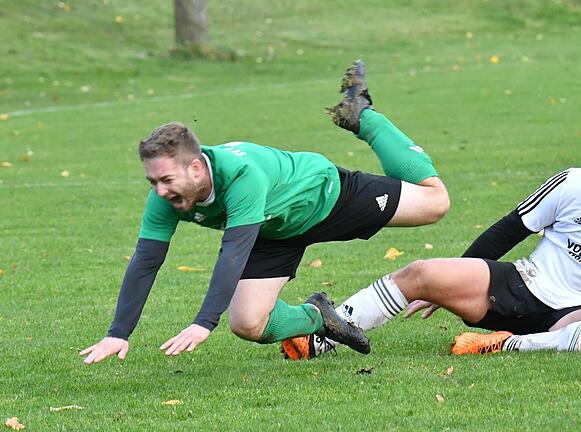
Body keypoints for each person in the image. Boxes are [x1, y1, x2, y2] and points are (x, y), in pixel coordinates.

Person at [79, 60, 450, 364]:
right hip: (273, 230)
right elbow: (146, 261)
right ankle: (319, 316)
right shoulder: (165, 196)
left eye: (165, 179)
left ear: (195, 169)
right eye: (152, 182)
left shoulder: (241, 176)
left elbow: (234, 252)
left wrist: (203, 323)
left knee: (436, 203)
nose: (159, 191)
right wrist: (118, 333)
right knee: (248, 323)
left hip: (325, 196)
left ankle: (364, 119)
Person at [281, 122, 581, 360]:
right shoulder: (576, 183)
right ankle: (323, 335)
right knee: (422, 272)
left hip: (580, 315)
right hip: (520, 287)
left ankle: (504, 344)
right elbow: (509, 229)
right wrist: (455, 276)